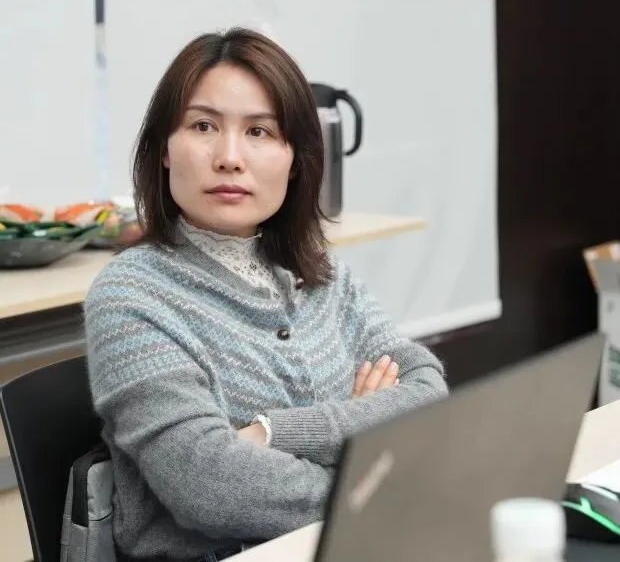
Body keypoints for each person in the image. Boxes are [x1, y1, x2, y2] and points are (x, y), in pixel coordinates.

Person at [84, 28, 448, 562]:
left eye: (259, 131)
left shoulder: (323, 274)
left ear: (294, 159)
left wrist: (272, 432)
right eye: (203, 126)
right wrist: (368, 466)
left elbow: (426, 392)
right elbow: (209, 485)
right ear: (163, 149)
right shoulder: (131, 295)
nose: (230, 157)